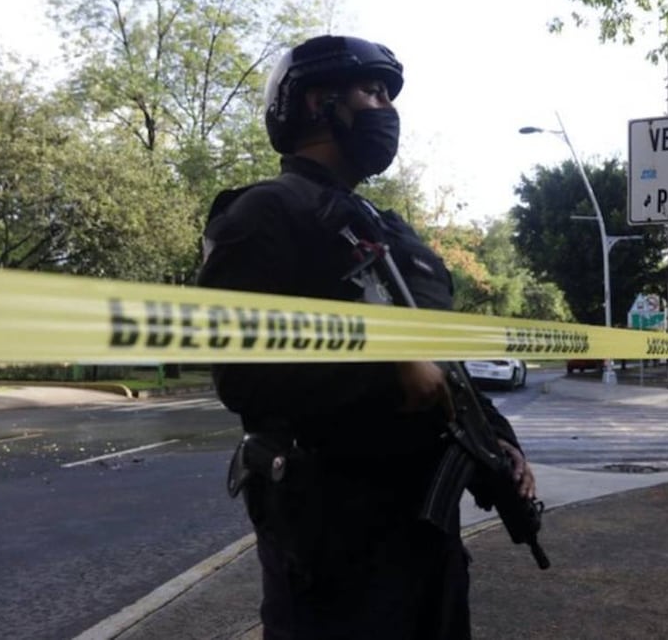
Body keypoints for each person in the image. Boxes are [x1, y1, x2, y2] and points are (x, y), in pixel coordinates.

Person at [197, 35, 536, 639]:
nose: (387, 109)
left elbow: (443, 367)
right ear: (318, 104)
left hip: (421, 539)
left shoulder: (384, 230)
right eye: (372, 91)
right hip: (332, 543)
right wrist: (385, 370)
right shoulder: (263, 214)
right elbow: (239, 368)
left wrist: (499, 443)